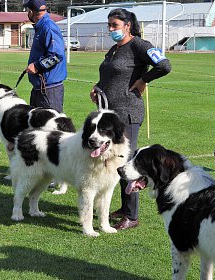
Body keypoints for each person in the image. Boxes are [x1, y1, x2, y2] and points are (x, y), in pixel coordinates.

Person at [90, 8, 171, 230]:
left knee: (127, 162)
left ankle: (132, 216)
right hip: (110, 115)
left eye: (114, 25)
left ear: (127, 25)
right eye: (109, 25)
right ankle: (125, 208)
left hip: (128, 113)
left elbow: (164, 65)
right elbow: (109, 75)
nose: (110, 29)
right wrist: (98, 87)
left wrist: (144, 79)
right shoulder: (115, 49)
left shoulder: (139, 45)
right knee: (114, 160)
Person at [23, 0, 67, 113]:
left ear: (32, 12)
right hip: (40, 88)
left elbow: (57, 55)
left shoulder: (48, 27)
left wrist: (37, 66)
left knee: (50, 128)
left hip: (49, 90)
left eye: (28, 10)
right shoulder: (41, 27)